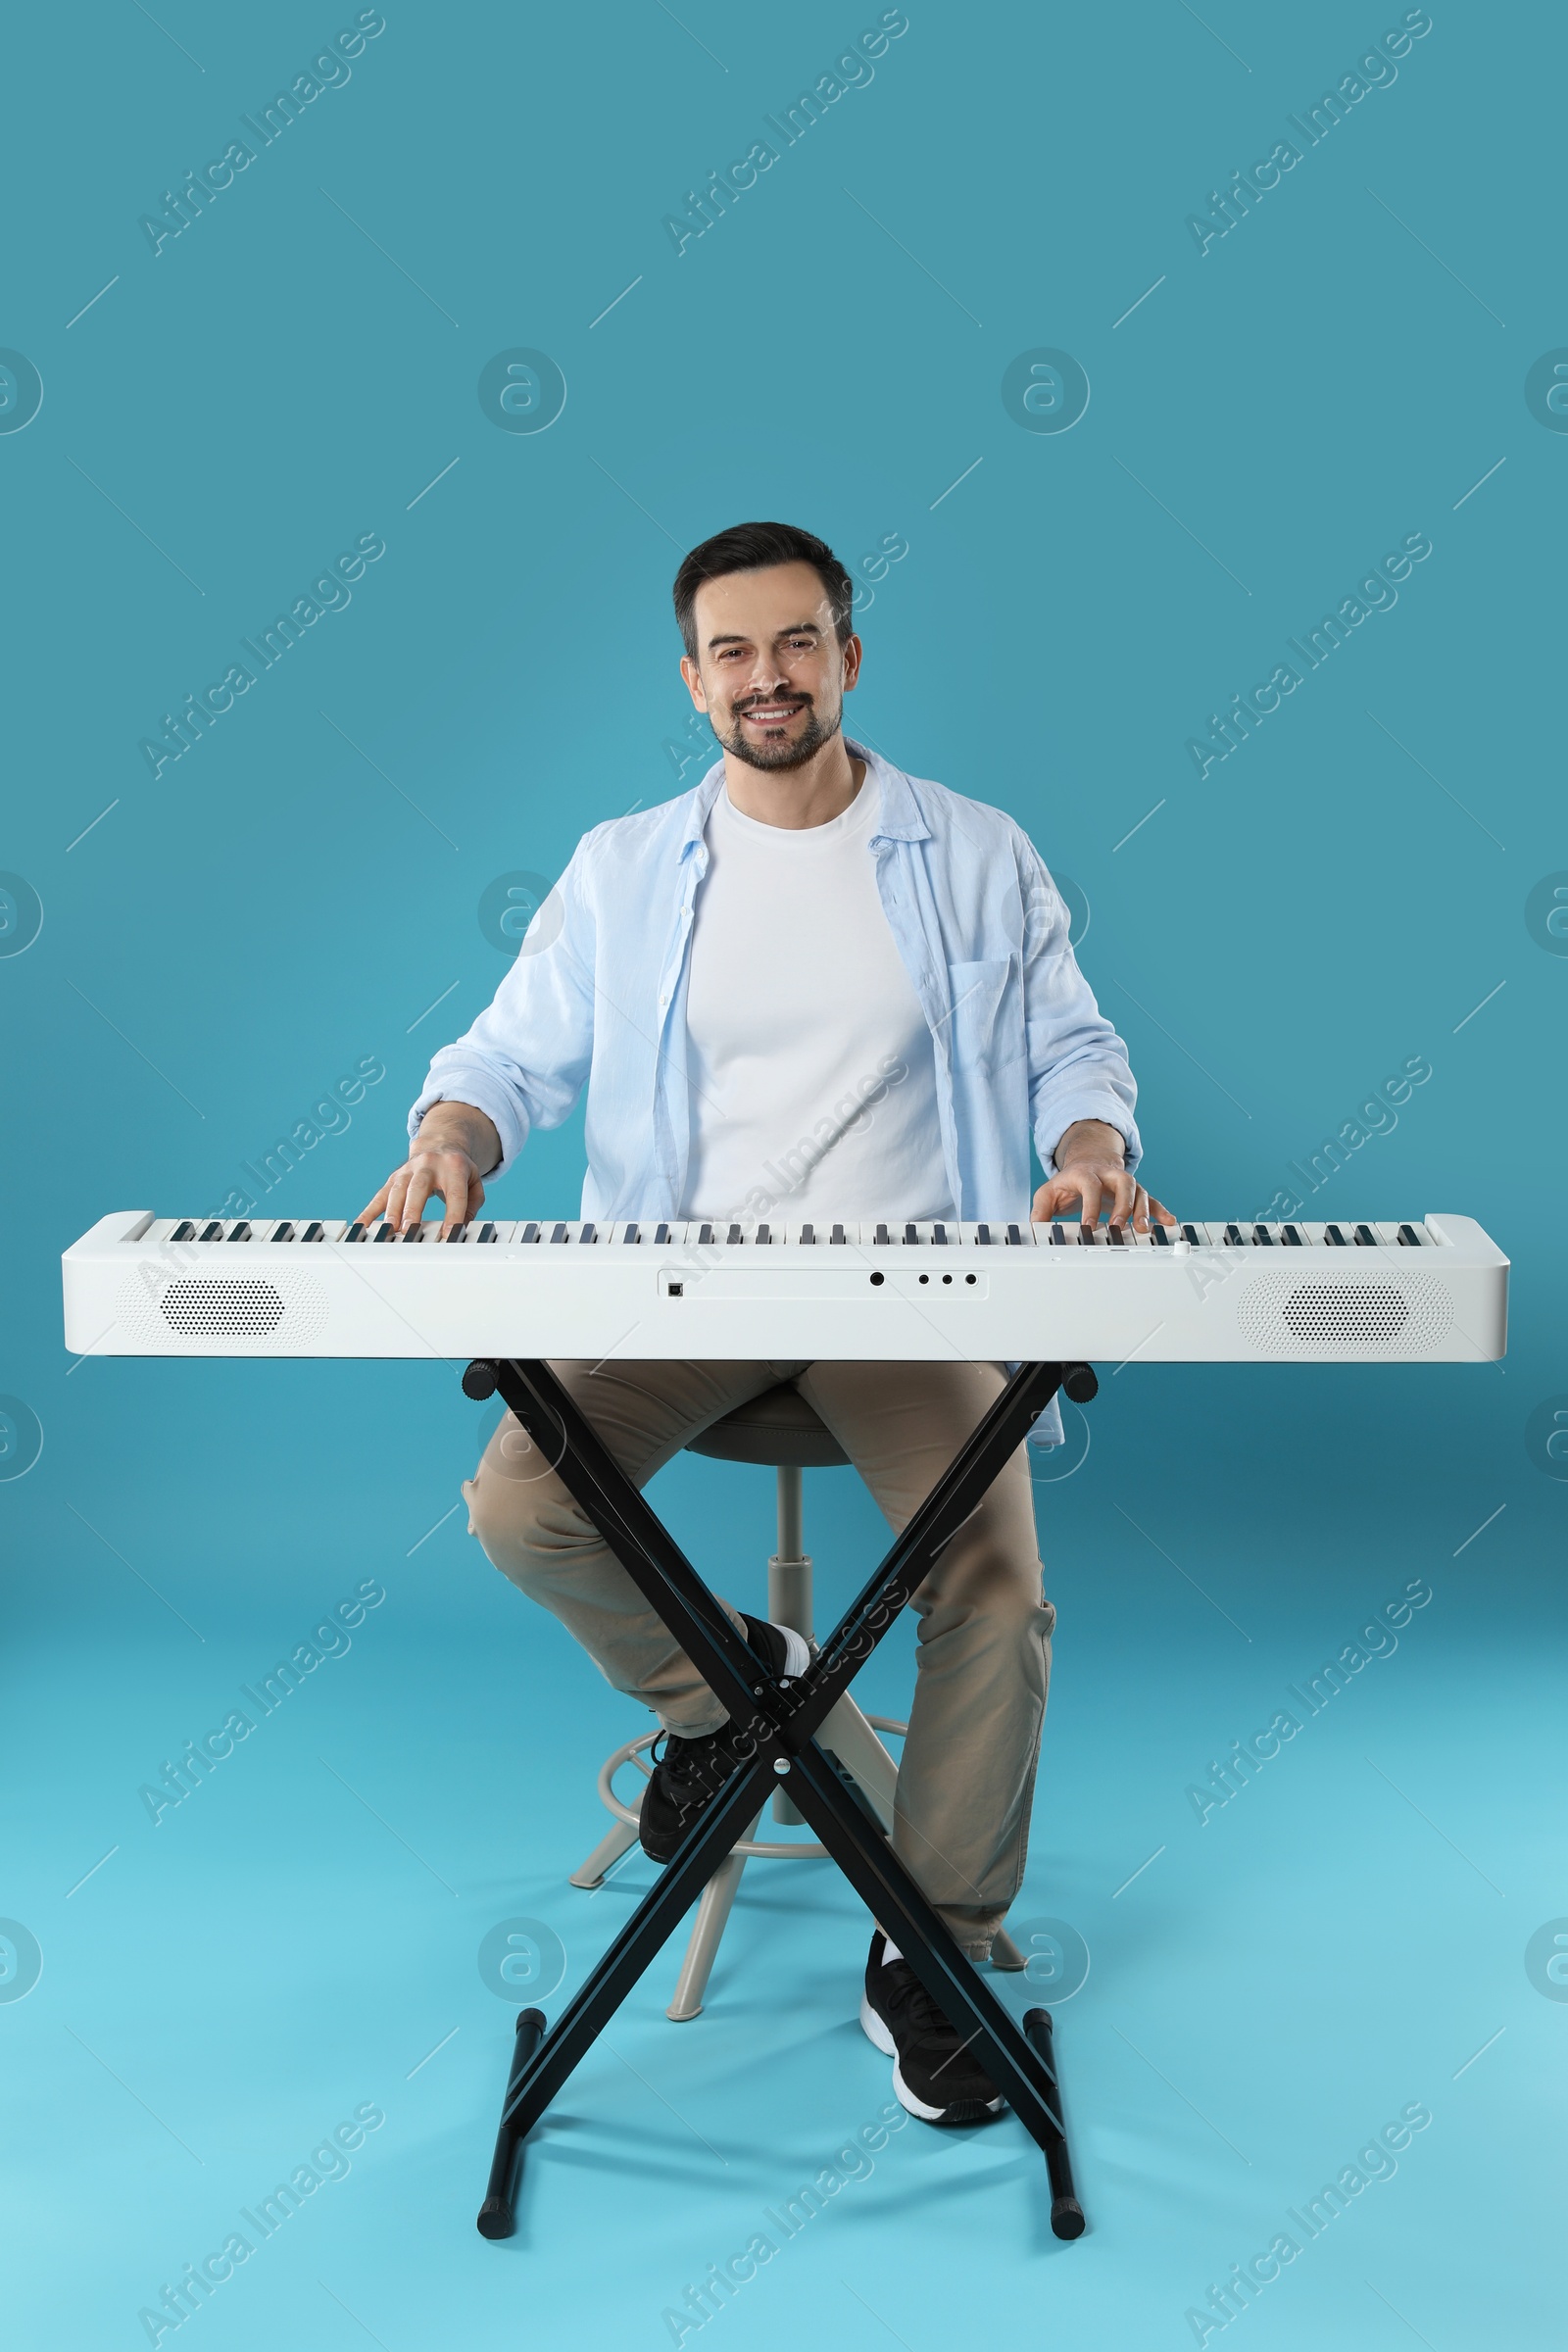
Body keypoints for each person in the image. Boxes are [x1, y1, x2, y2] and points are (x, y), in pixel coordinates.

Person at [360, 520, 1174, 2126]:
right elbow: (506, 1057)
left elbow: (1074, 1050)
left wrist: (1092, 1151)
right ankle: (743, 1694)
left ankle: (931, 1949)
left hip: (912, 1301)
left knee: (997, 1591)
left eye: (797, 643)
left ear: (849, 657)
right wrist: (451, 1134)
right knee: (521, 1507)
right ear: (692, 680)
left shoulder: (979, 851)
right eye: (732, 652)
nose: (767, 677)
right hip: (677, 1291)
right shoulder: (621, 869)